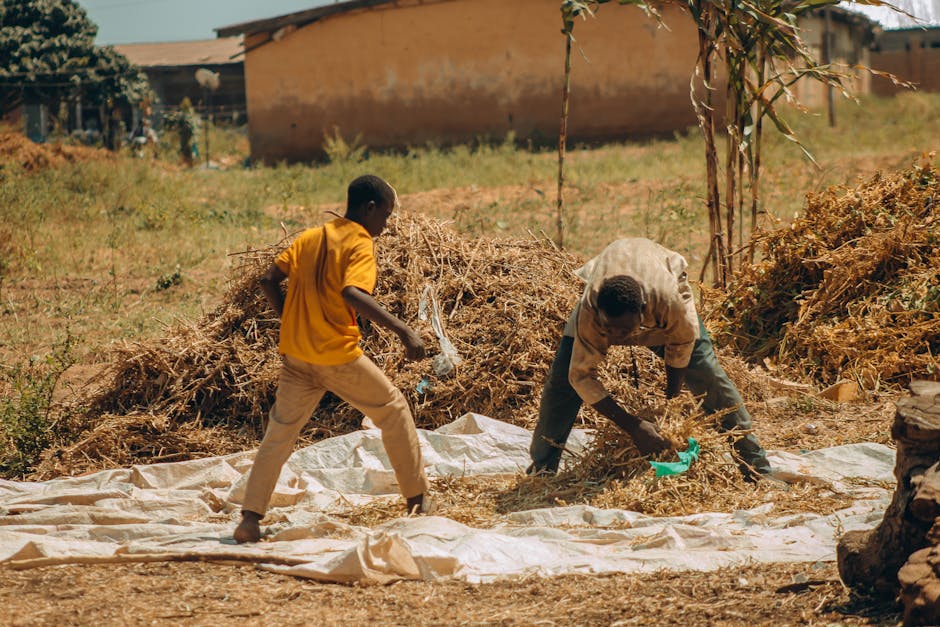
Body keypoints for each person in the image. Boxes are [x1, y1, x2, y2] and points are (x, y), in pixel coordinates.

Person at [233, 174, 432, 544]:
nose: (386, 226)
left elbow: (267, 279)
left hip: (296, 356)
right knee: (393, 409)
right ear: (369, 209)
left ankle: (249, 520)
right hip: (336, 357)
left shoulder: (311, 236)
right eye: (386, 216)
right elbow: (352, 292)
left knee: (278, 435)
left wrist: (290, 319)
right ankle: (418, 502)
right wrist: (403, 331)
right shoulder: (359, 242)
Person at [528, 237, 772, 480]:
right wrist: (633, 427)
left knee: (709, 378)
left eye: (622, 331)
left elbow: (680, 348)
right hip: (608, 306)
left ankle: (756, 468)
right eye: (609, 330)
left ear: (643, 310)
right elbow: (580, 376)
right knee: (560, 386)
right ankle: (541, 471)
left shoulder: (670, 302)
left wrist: (670, 410)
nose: (615, 337)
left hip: (663, 299)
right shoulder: (592, 309)